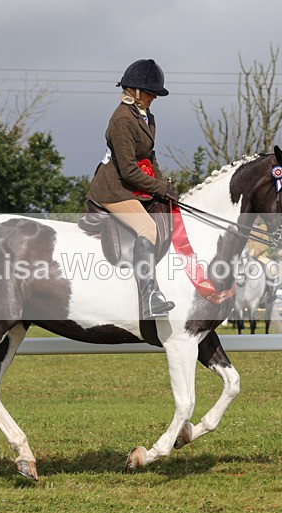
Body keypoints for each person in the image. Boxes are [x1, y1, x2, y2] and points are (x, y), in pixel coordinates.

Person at [87, 59, 177, 319]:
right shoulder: (122, 120)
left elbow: (150, 157)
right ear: (135, 91)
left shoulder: (147, 116)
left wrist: (163, 184)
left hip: (134, 186)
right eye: (150, 93)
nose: (154, 98)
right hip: (113, 189)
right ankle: (149, 299)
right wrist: (159, 187)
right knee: (147, 227)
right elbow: (127, 170)